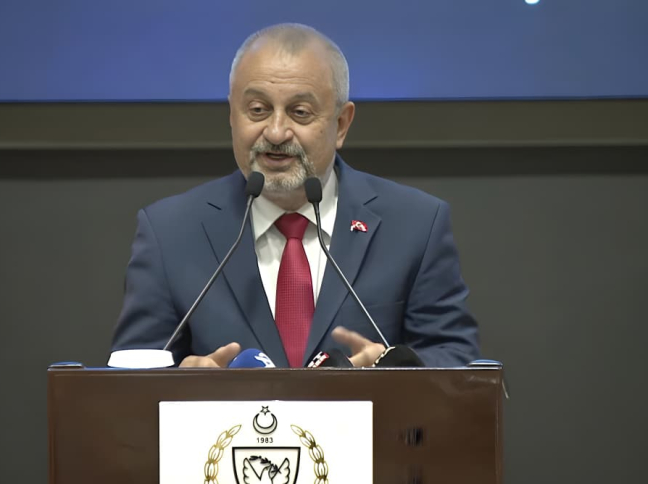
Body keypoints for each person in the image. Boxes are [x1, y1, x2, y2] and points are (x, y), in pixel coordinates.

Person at [111, 23, 479, 368]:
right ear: (232, 115)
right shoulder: (170, 233)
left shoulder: (415, 224)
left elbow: (457, 362)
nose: (275, 132)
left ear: (341, 124)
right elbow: (129, 378)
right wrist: (180, 387)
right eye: (257, 110)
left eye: (299, 112)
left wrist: (394, 369)